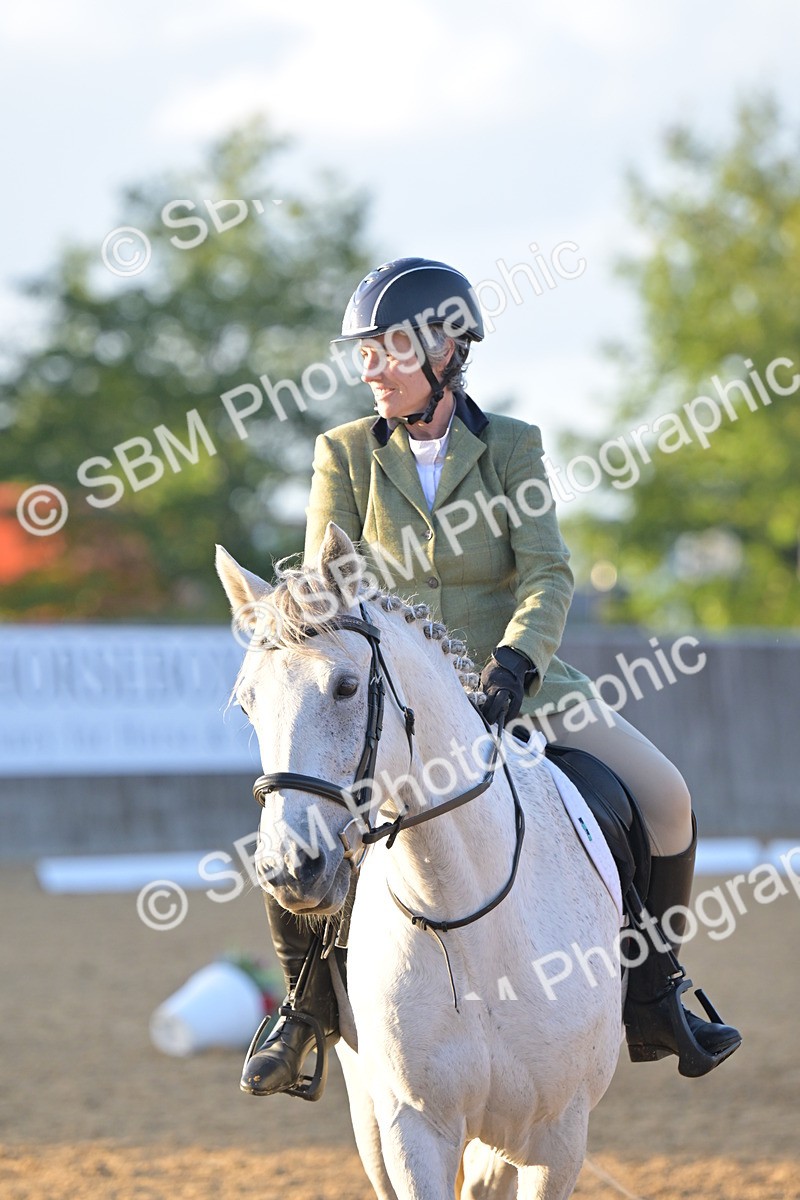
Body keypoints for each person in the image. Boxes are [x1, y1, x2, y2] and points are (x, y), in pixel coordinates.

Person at [240, 257, 741, 1098]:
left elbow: (548, 573)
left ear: (447, 349)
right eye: (364, 350)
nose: (370, 366)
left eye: (388, 347)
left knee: (667, 798)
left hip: (524, 681)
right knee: (300, 812)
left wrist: (515, 662)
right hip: (398, 704)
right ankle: (302, 1012)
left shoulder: (513, 446)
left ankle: (657, 995)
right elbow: (325, 590)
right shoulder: (344, 456)